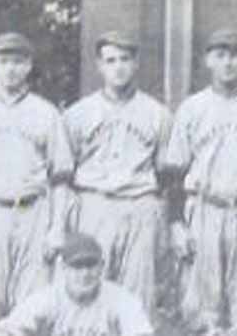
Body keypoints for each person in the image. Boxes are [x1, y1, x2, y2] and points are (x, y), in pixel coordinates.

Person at [0, 32, 74, 334]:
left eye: (18, 62)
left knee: (31, 308)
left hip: (32, 214)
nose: (11, 69)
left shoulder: (46, 112)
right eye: (4, 61)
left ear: (29, 66)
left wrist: (57, 228)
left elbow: (60, 176)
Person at [161, 28, 237, 334]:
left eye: (236, 55)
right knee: (200, 309)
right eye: (221, 55)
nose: (228, 63)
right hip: (204, 208)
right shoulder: (192, 108)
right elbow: (175, 171)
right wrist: (176, 222)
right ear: (208, 60)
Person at [64, 30, 172, 312]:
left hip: (139, 205)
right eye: (111, 60)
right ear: (99, 66)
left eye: (125, 59)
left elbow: (165, 173)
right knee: (89, 290)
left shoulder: (157, 113)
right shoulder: (77, 114)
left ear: (135, 64)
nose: (118, 67)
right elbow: (65, 173)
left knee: (138, 296)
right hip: (94, 204)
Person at [0, 232, 155, 336]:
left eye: (91, 265)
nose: (85, 274)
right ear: (64, 268)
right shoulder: (47, 299)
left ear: (102, 266)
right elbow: (6, 331)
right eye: (77, 266)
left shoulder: (120, 299)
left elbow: (141, 331)